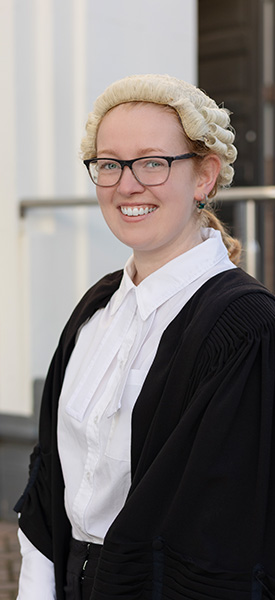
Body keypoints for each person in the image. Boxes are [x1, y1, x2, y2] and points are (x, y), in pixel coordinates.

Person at [15, 74, 275, 600]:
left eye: (153, 161)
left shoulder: (247, 328)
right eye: (109, 164)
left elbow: (224, 538)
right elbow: (49, 489)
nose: (127, 184)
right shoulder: (95, 309)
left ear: (205, 176)